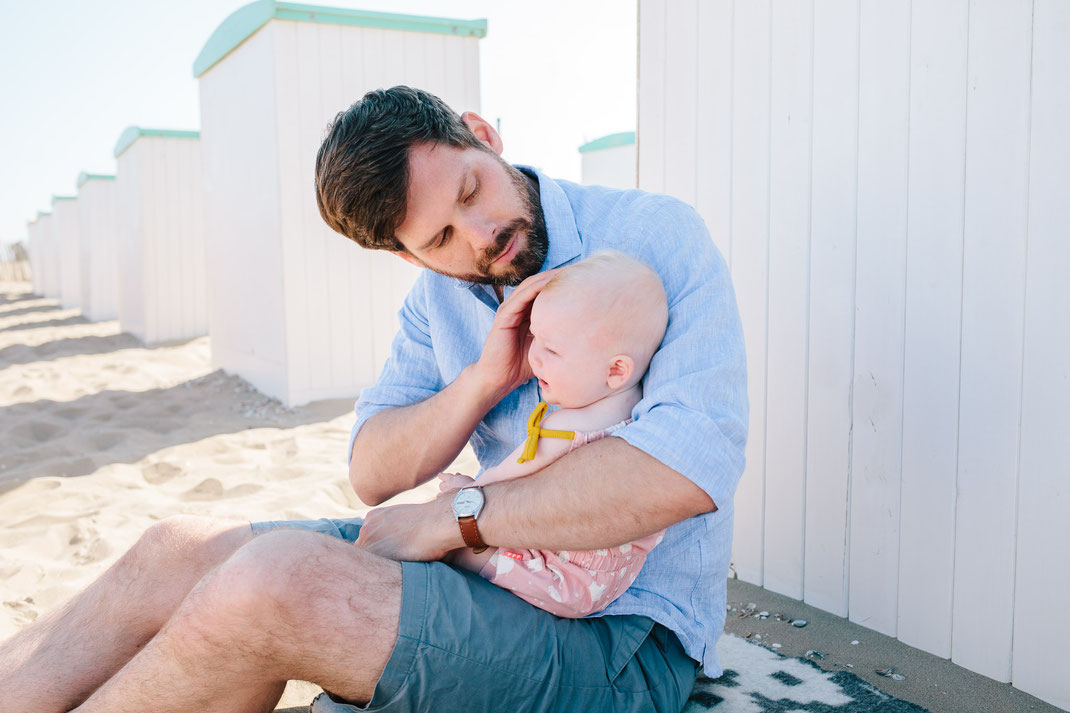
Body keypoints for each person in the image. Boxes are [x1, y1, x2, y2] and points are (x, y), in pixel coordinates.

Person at [0, 85, 747, 713]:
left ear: (481, 136)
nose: (481, 235)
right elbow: (372, 465)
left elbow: (686, 468)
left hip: (620, 638)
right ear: (406, 254)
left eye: (470, 190)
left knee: (271, 583)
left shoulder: (654, 234)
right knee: (172, 552)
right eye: (442, 236)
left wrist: (454, 518)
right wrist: (484, 379)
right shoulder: (441, 294)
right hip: (493, 574)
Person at [440, 249, 670, 618]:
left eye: (553, 349)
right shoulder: (638, 411)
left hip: (556, 577)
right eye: (536, 340)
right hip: (603, 580)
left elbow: (498, 484)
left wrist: (461, 490)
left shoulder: (564, 427)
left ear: (615, 371)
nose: (536, 358)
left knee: (453, 549)